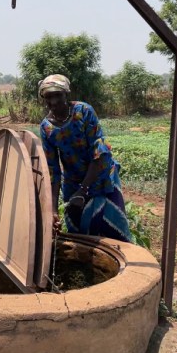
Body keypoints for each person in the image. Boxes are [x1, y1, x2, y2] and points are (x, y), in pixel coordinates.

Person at [38, 74, 132, 242]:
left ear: (66, 94)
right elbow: (53, 171)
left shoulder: (83, 112)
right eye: (48, 97)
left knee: (111, 227)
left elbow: (99, 152)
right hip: (73, 182)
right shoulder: (46, 128)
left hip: (100, 177)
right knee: (79, 233)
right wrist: (53, 211)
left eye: (57, 95)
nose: (53, 102)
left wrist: (83, 190)